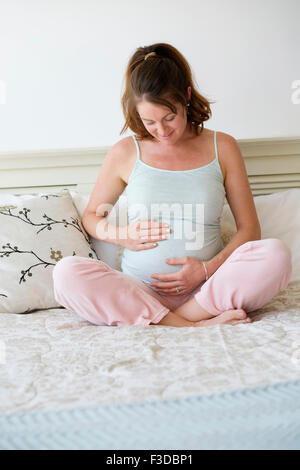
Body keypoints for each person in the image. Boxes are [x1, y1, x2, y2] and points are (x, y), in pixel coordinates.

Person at [52, 43, 292, 327]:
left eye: (169, 117)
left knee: (276, 255)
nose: (162, 131)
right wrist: (121, 235)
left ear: (186, 97)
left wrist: (205, 270)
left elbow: (250, 230)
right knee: (67, 272)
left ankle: (175, 321)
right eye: (149, 121)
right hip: (139, 291)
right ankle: (193, 326)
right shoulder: (125, 152)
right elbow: (92, 217)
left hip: (207, 290)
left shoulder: (223, 147)